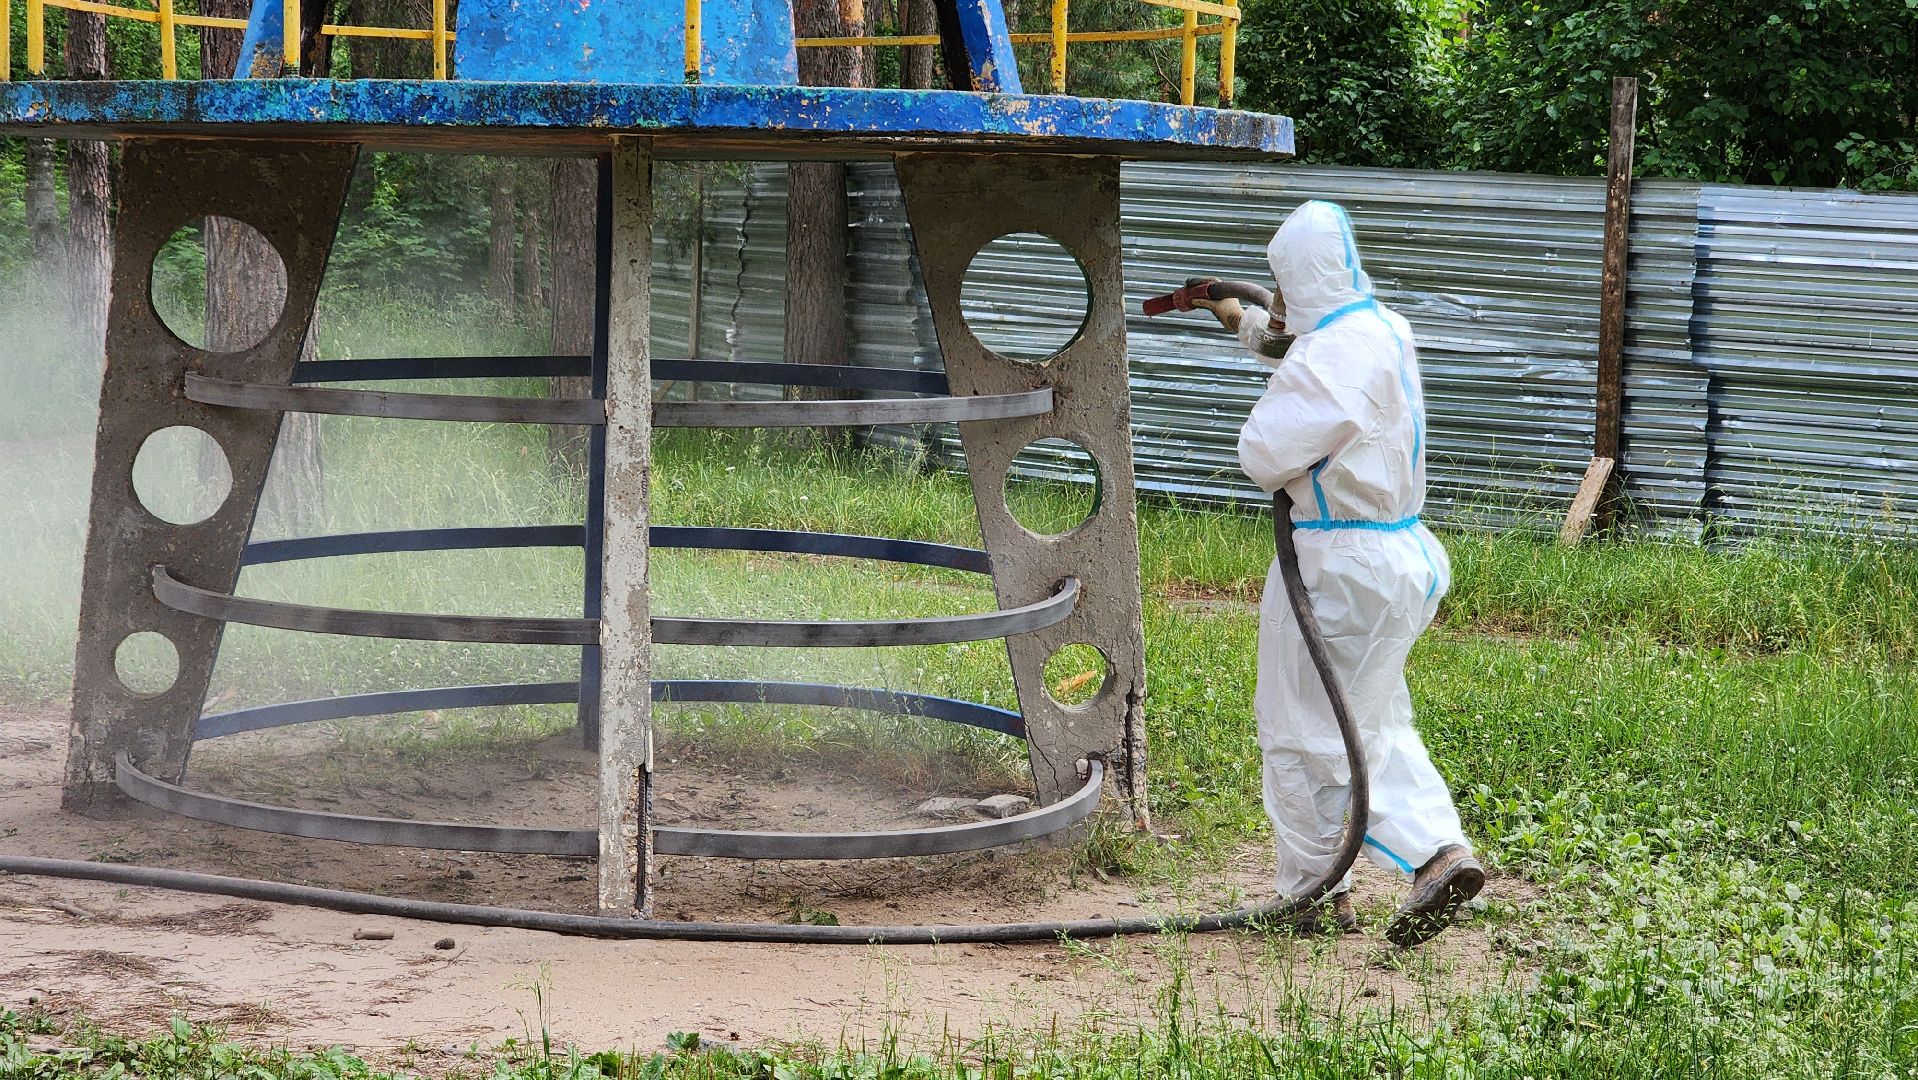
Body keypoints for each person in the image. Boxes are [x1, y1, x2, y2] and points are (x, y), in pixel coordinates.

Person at [1191, 200, 1482, 947]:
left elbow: (1265, 452)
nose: (1276, 298)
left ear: (1303, 276)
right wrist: (1242, 320)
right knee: (1375, 718)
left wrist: (1270, 377)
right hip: (1399, 555)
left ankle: (1317, 894)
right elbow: (1316, 362)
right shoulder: (1382, 329)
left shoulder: (1330, 359)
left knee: (1305, 732)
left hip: (1338, 563)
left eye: (1280, 284)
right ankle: (1441, 851)